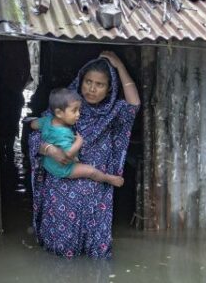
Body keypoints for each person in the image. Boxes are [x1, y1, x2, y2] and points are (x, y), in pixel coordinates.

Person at [29, 51, 140, 259]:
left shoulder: (113, 112)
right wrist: (50, 149)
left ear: (109, 89)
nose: (92, 88)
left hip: (96, 186)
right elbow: (36, 133)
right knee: (59, 254)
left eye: (99, 84)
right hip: (62, 180)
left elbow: (134, 105)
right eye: (88, 82)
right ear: (81, 82)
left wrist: (119, 66)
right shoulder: (66, 106)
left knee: (96, 253)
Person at [30, 88, 124, 187]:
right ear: (59, 113)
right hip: (62, 168)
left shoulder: (48, 120)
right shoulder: (63, 133)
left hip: (47, 162)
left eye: (79, 110)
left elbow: (33, 124)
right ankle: (109, 179)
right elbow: (68, 153)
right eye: (74, 111)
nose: (78, 114)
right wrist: (79, 141)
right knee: (91, 171)